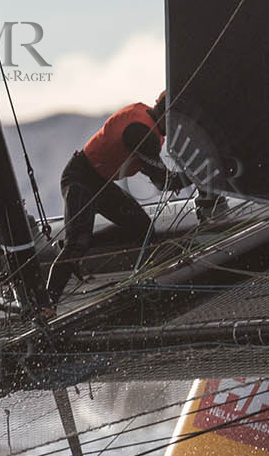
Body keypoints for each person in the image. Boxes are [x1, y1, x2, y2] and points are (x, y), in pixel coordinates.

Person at [45, 91, 197, 305]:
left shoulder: (145, 117)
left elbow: (153, 169)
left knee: (142, 228)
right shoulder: (141, 133)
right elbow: (164, 182)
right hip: (79, 178)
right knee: (76, 243)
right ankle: (45, 306)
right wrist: (200, 174)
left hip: (99, 182)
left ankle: (85, 245)